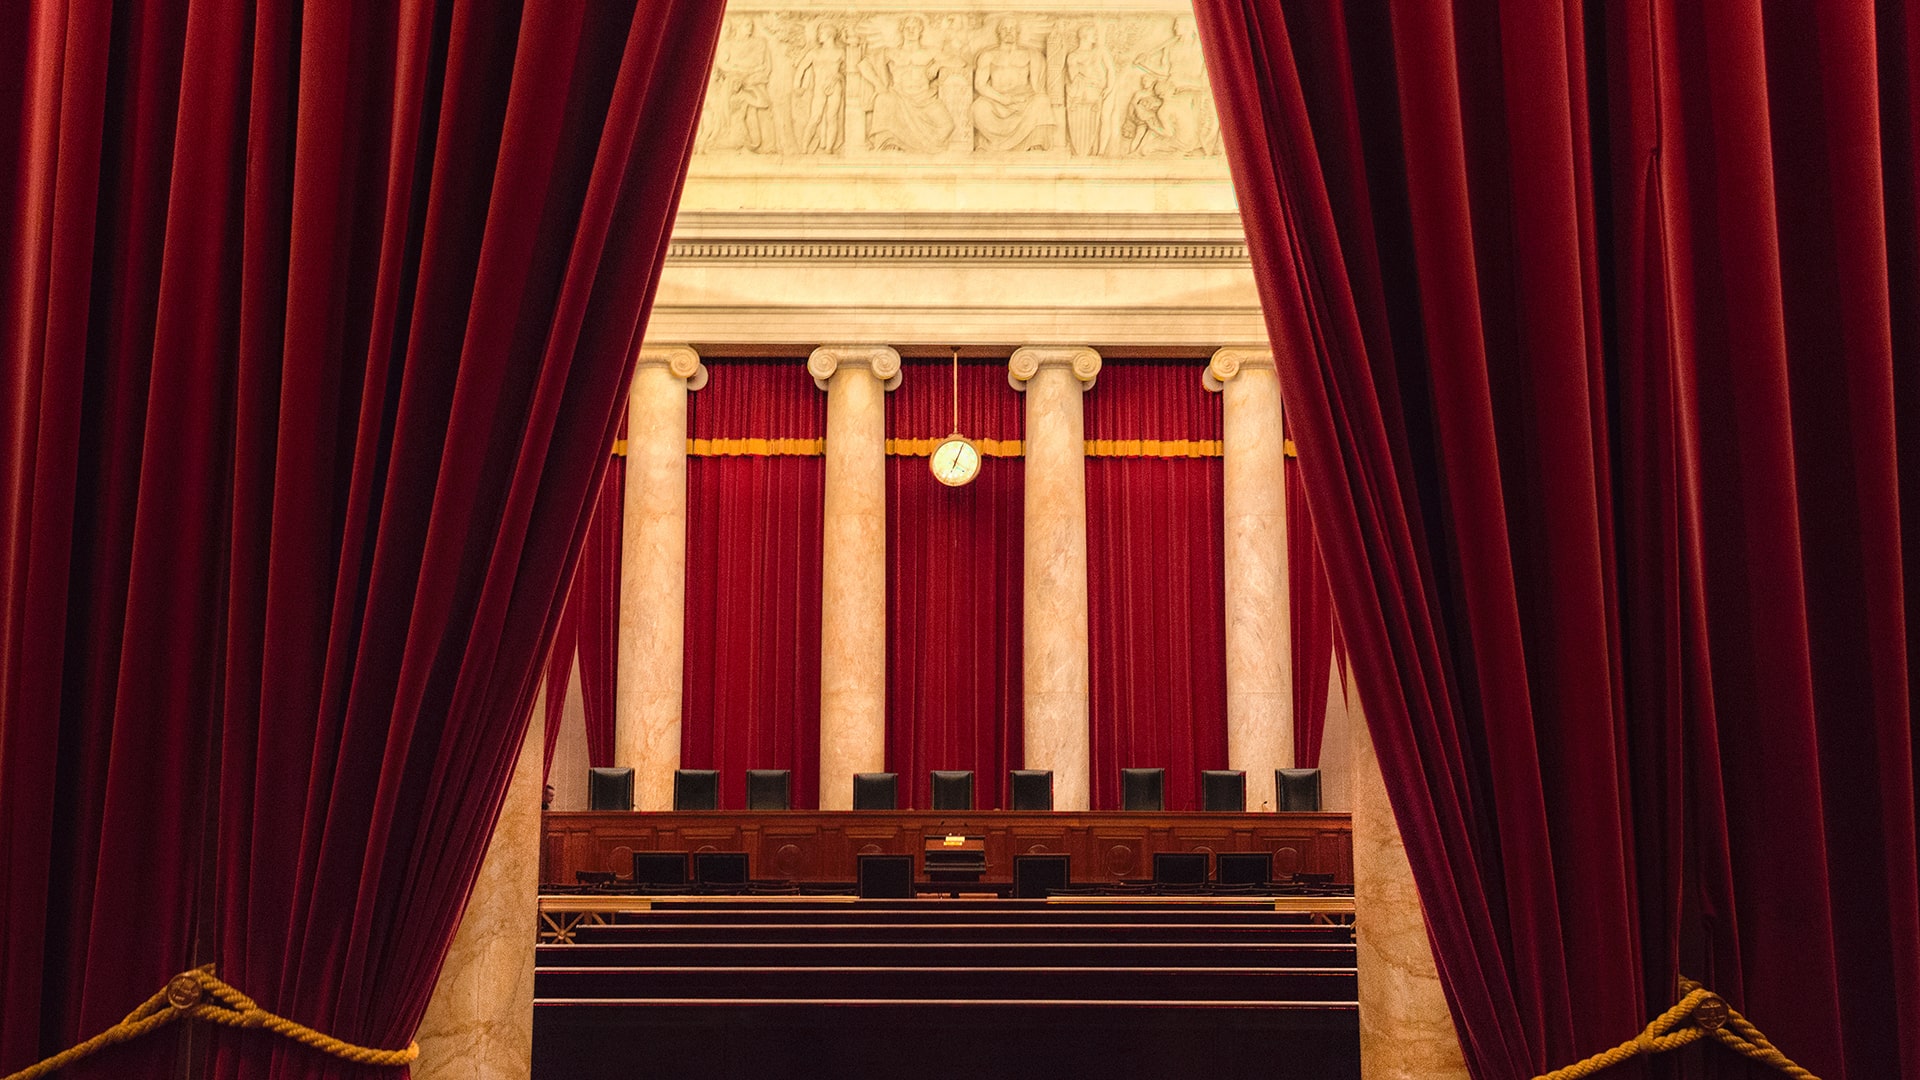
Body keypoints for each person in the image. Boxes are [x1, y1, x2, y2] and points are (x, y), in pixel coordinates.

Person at [861, 15, 955, 153]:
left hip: (925, 98)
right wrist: (878, 84)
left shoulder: (931, 52)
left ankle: (922, 147)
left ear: (921, 30)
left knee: (948, 126)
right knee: (883, 100)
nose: (911, 31)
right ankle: (892, 143)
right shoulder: (891, 52)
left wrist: (939, 64)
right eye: (907, 28)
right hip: (899, 97)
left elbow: (960, 62)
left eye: (915, 28)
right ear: (902, 30)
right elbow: (864, 65)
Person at [970, 17, 1055, 152]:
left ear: (1018, 32)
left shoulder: (1031, 55)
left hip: (1022, 101)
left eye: (1012, 28)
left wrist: (1022, 99)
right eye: (1004, 28)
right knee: (978, 107)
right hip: (996, 101)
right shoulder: (988, 56)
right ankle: (991, 143)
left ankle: (1034, 142)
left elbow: (1037, 87)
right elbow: (980, 85)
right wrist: (1004, 99)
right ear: (999, 33)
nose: (1008, 31)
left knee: (1042, 101)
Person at [794, 23, 847, 154]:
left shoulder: (841, 52)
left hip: (835, 86)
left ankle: (829, 148)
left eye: (821, 33)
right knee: (815, 117)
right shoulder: (815, 53)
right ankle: (804, 147)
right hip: (819, 87)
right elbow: (801, 68)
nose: (819, 36)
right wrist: (797, 86)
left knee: (832, 117)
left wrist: (838, 76)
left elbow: (848, 71)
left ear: (830, 35)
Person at [1064, 23, 1115, 156]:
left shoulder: (1100, 50)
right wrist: (1086, 79)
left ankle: (1101, 152)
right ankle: (1087, 150)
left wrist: (1109, 87)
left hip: (1105, 89)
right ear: (1084, 36)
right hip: (1086, 90)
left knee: (1105, 118)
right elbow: (1073, 77)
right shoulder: (1073, 56)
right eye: (1093, 34)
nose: (1096, 36)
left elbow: (1111, 70)